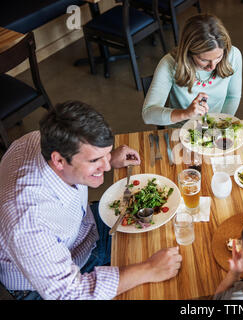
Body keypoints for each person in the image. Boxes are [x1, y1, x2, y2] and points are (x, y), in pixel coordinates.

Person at [0, 101, 182, 300]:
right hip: (47, 287)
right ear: (59, 160)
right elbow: (70, 293)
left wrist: (108, 157)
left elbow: (85, 159)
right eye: (95, 160)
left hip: (83, 233)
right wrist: (148, 269)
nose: (105, 167)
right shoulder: (28, 220)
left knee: (169, 232)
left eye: (104, 155)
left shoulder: (40, 139)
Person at [142, 13, 242, 127]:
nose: (212, 66)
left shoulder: (233, 56)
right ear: (188, 52)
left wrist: (220, 125)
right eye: (204, 60)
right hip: (180, 130)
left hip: (216, 126)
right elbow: (148, 115)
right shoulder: (169, 63)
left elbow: (232, 97)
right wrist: (185, 114)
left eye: (218, 57)